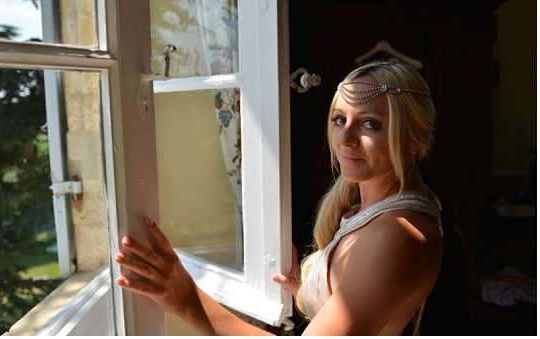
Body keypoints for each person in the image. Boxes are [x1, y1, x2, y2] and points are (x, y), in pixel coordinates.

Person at [114, 60, 444, 335]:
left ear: (414, 138)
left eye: (370, 124)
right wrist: (311, 286)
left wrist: (186, 297)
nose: (346, 138)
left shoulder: (397, 234)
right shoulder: (370, 212)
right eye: (339, 120)